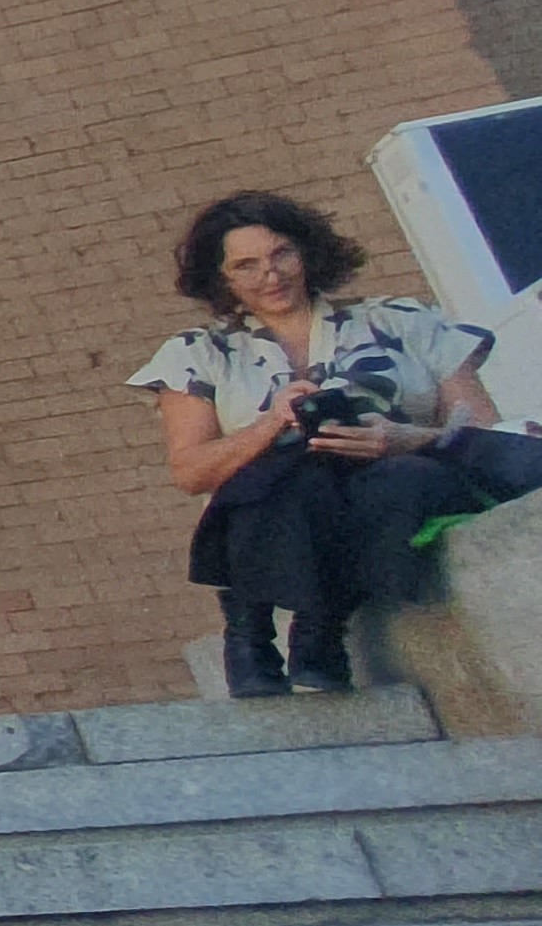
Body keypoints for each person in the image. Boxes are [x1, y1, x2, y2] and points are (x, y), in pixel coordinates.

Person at [131, 190, 503, 695]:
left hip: (400, 487)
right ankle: (263, 637)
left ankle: (303, 630)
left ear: (307, 251)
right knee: (287, 468)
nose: (271, 274)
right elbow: (191, 472)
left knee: (391, 477)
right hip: (277, 502)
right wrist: (271, 425)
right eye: (246, 264)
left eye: (282, 254)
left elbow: (486, 436)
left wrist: (405, 439)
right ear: (222, 278)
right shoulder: (200, 354)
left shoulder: (402, 321)